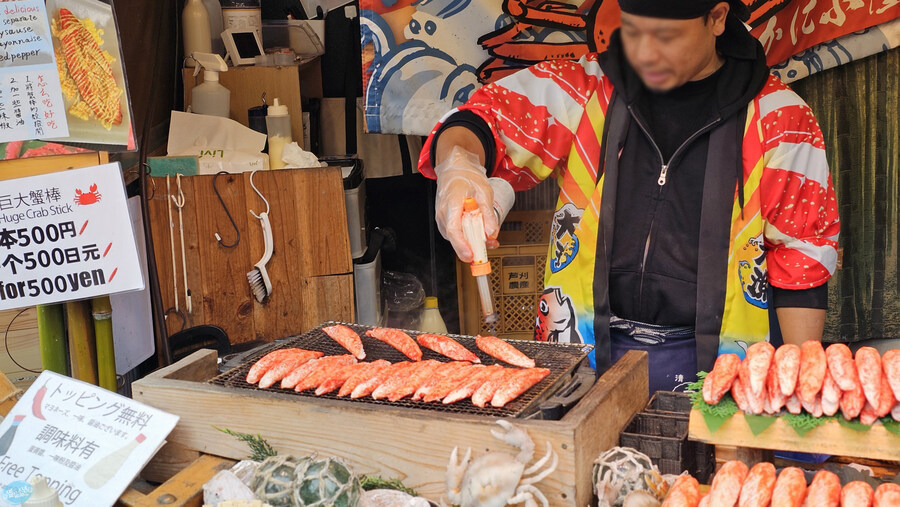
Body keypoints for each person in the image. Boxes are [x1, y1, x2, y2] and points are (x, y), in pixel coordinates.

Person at [417, 0, 841, 393]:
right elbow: (484, 118)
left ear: (716, 18)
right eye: (635, 31)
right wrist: (459, 165)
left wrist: (798, 387)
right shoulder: (589, 88)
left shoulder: (780, 119)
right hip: (582, 350)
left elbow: (802, 266)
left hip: (721, 363)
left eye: (666, 35)